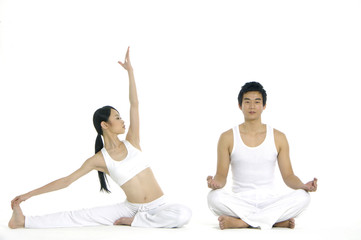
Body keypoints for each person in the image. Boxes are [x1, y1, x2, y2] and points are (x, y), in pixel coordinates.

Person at [8, 47, 192, 229]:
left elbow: (134, 105)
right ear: (105, 125)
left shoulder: (133, 141)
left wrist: (130, 72)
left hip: (158, 207)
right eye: (117, 118)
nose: (122, 121)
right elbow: (66, 181)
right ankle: (23, 221)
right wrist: (28, 194)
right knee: (79, 217)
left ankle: (137, 223)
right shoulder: (99, 159)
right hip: (130, 208)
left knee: (184, 214)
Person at [206, 82, 317, 230]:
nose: (252, 106)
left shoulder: (278, 137)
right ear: (240, 105)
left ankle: (244, 222)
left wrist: (303, 186)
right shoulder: (227, 137)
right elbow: (221, 175)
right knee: (213, 197)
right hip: (240, 201)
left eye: (257, 102)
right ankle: (273, 221)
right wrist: (216, 183)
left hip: (270, 201)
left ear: (264, 106)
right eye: (247, 101)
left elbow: (288, 176)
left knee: (303, 197)